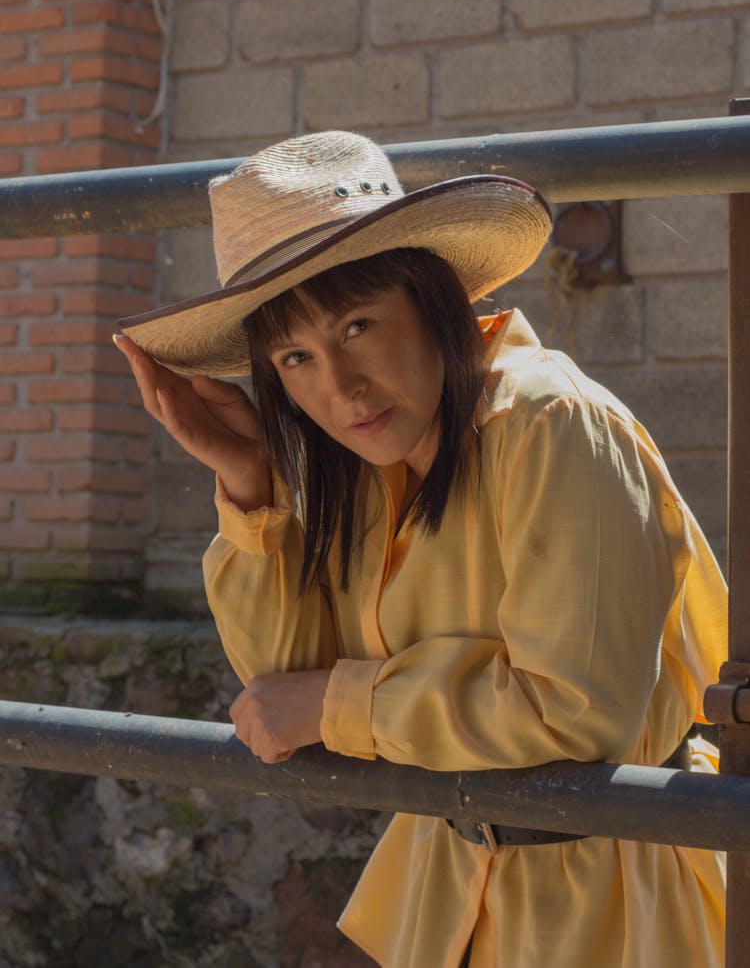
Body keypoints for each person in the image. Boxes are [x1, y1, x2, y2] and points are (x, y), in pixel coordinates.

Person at [115, 130, 727, 968]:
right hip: (450, 883)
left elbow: (576, 710)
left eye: (359, 324)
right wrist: (252, 486)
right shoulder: (369, 462)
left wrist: (339, 702)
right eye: (296, 356)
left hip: (611, 895)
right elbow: (279, 687)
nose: (339, 386)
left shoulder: (548, 423)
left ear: (432, 295)